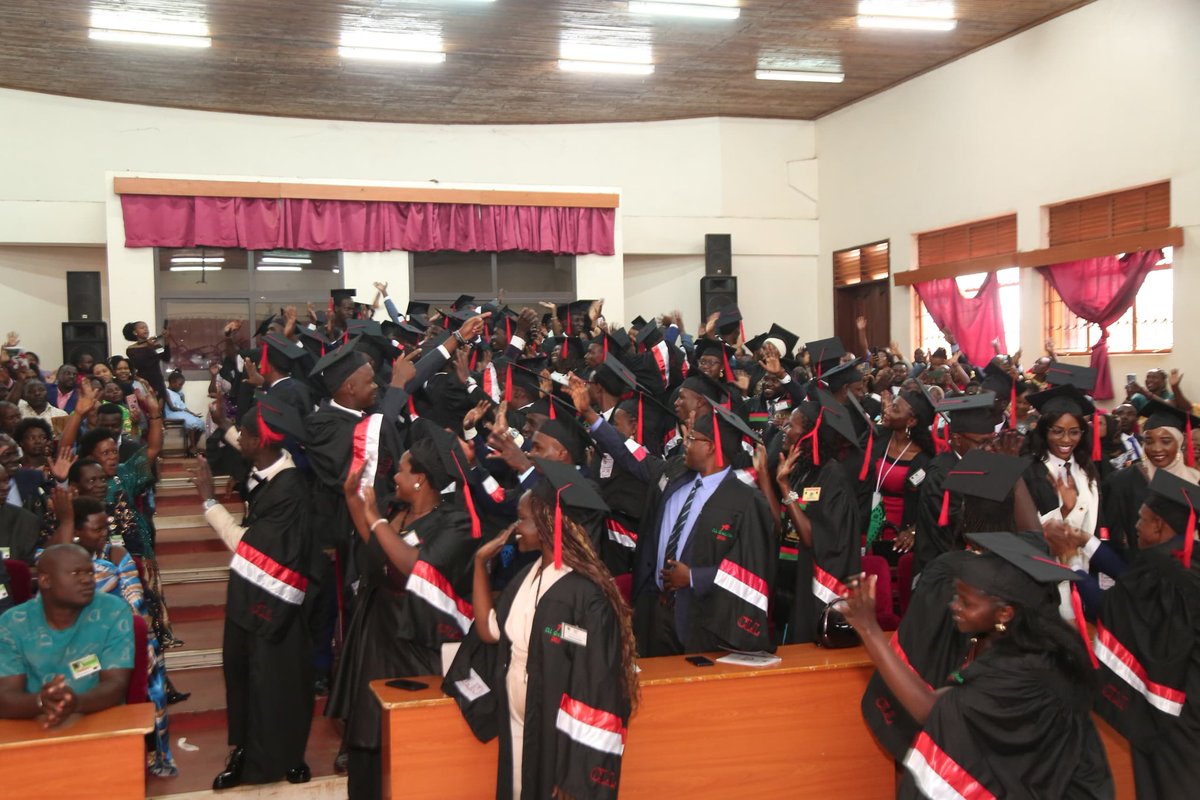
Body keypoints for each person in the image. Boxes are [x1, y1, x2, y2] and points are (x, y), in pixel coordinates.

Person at [841, 532, 1113, 798]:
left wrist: (870, 631)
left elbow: (932, 709)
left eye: (966, 602)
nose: (954, 606)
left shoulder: (1028, 669)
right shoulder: (1016, 643)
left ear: (1004, 613)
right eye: (957, 596)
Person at [468, 459, 636, 800]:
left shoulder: (586, 596)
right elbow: (489, 631)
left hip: (553, 734)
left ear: (550, 523)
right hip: (518, 724)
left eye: (523, 519)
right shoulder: (526, 577)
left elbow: (597, 688)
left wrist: (577, 777)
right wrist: (479, 566)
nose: (516, 527)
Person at [331, 423, 478, 799]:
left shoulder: (454, 523)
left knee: (409, 735)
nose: (395, 475)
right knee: (368, 732)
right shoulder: (397, 513)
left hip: (413, 642)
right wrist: (353, 501)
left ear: (421, 480)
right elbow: (378, 551)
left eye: (403, 469)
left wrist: (375, 517)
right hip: (376, 632)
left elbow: (416, 568)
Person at [194, 403, 314, 790]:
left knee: (281, 679)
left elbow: (250, 547)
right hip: (249, 591)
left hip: (278, 596)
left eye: (244, 434)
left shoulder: (290, 489)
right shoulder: (271, 464)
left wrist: (209, 502)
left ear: (260, 440)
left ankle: (291, 754)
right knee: (243, 673)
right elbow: (249, 443)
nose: (238, 439)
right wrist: (228, 425)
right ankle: (244, 748)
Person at [632, 403, 774, 656]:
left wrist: (694, 577)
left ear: (709, 446)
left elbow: (752, 568)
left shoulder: (745, 501)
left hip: (704, 621)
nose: (685, 443)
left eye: (691, 438)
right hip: (656, 613)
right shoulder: (677, 477)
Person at [1094, 469, 1200, 799]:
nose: (1135, 527)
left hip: (1173, 704)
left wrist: (1072, 573)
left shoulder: (1159, 567)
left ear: (1158, 525)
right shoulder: (1190, 562)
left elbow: (1116, 607)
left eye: (1141, 518)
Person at [62, 494, 178, 776]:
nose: (105, 535)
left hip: (114, 642)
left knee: (143, 646)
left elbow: (135, 602)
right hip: (72, 646)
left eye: (106, 528)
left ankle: (149, 752)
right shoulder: (59, 559)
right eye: (97, 529)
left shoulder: (117, 555)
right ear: (76, 532)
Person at [0, 543, 134, 727]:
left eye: (89, 572)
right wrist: (42, 702)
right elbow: (6, 696)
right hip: (33, 725)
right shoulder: (12, 623)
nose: (87, 580)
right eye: (76, 573)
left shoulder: (112, 611)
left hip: (100, 721)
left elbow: (116, 685)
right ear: (45, 580)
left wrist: (75, 703)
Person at [774, 391, 862, 644]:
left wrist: (783, 487)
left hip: (816, 580)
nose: (785, 428)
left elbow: (813, 537)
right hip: (790, 575)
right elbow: (783, 523)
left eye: (792, 424)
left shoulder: (833, 477)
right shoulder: (803, 470)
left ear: (809, 433)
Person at [1101, 400, 1200, 558]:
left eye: (1166, 441)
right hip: (1138, 570)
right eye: (1149, 441)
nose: (1156, 448)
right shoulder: (1122, 480)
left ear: (1180, 442)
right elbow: (1115, 534)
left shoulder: (1195, 480)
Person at [163, 371, 204, 457]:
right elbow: (172, 407)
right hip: (172, 414)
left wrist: (193, 413)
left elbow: (184, 407)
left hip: (180, 413)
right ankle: (193, 447)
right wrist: (184, 411)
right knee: (191, 423)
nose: (181, 387)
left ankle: (192, 447)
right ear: (172, 383)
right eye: (180, 384)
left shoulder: (179, 395)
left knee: (200, 423)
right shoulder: (166, 392)